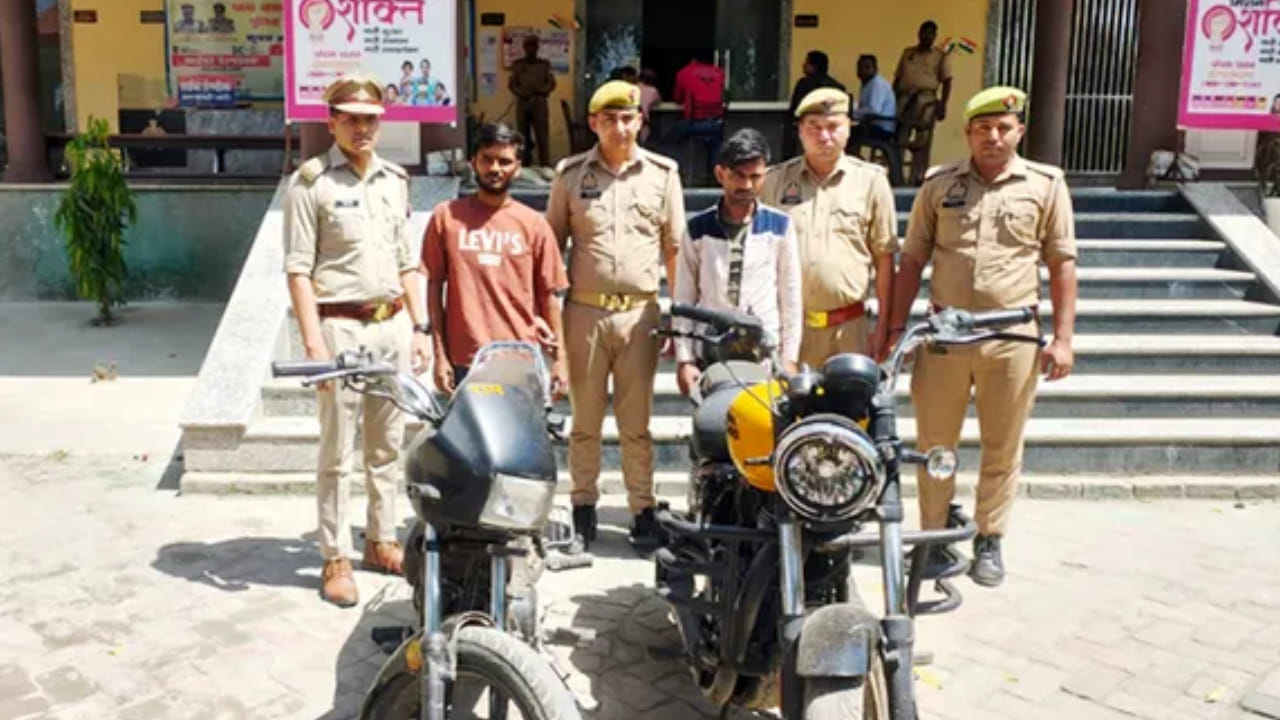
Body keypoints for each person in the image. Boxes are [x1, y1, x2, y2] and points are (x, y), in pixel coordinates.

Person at [885, 87, 1078, 587]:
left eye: (1003, 128)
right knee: (934, 442)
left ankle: (989, 537)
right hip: (946, 336)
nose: (993, 137)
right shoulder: (939, 184)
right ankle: (932, 536)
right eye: (983, 128)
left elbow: (1061, 264)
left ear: (1019, 132)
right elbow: (912, 259)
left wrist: (1063, 338)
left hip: (1011, 336)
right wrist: (895, 330)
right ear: (968, 133)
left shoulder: (1046, 185)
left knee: (1002, 444)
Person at [282, 74, 431, 608]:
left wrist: (419, 326)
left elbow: (406, 260)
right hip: (339, 328)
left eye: (370, 119)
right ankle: (335, 556)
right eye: (351, 119)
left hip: (391, 325)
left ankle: (381, 538)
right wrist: (313, 345)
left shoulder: (395, 180)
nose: (362, 128)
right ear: (332, 123)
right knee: (337, 452)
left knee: (387, 445)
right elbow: (298, 271)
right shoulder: (311, 183)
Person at [546, 80, 685, 552]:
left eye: (628, 118)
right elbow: (552, 249)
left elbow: (674, 250)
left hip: (640, 315)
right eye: (610, 119)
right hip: (584, 312)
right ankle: (583, 507)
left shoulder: (663, 174)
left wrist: (677, 318)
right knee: (584, 421)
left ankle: (642, 509)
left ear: (641, 120)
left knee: (636, 423)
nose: (620, 127)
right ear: (593, 123)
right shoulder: (570, 175)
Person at [423, 122, 569, 396]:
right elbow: (434, 288)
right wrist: (439, 355)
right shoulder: (446, 217)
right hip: (465, 360)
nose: (495, 168)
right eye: (487, 159)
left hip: (519, 359)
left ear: (518, 167)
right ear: (473, 162)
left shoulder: (534, 225)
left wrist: (560, 360)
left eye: (504, 161)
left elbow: (548, 296)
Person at [760, 87, 898, 369]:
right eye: (814, 127)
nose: (824, 136)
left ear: (849, 128)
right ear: (800, 131)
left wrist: (883, 327)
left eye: (833, 126)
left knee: (849, 400)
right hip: (789, 331)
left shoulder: (871, 182)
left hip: (850, 330)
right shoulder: (773, 183)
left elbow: (884, 259)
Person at [674, 128, 802, 395]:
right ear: (721, 174)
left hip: (764, 353)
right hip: (711, 350)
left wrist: (789, 359)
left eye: (755, 177)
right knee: (713, 420)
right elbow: (684, 296)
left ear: (765, 175)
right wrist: (685, 359)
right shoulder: (698, 228)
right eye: (739, 176)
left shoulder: (780, 226)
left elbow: (790, 297)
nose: (747, 186)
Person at [894, 20, 953, 183]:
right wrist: (893, 99)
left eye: (930, 34)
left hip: (926, 100)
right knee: (899, 137)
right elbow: (898, 78)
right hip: (905, 98)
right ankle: (897, 175)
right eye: (924, 33)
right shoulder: (908, 53)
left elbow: (947, 81)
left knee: (922, 140)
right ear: (919, 34)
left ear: (934, 36)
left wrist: (943, 104)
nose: (926, 36)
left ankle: (918, 176)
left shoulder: (939, 56)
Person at [785, 50, 847, 159]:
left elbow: (795, 109)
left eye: (807, 63)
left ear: (814, 66)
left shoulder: (804, 84)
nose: (803, 65)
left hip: (807, 130)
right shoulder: (837, 86)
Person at [508, 35, 556, 168]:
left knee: (542, 135)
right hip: (523, 102)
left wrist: (540, 90)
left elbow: (551, 83)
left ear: (537, 48)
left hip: (539, 102)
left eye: (533, 46)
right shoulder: (518, 65)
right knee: (523, 136)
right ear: (524, 48)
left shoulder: (543, 65)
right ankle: (524, 164)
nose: (531, 49)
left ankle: (544, 165)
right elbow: (512, 85)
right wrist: (522, 92)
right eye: (528, 46)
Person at [851, 54, 897, 142]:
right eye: (860, 68)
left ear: (875, 69)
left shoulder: (877, 84)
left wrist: (853, 113)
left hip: (882, 128)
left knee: (846, 133)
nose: (863, 71)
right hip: (871, 125)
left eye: (867, 67)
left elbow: (874, 110)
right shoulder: (866, 84)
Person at [637, 68, 662, 145]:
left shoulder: (632, 88)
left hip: (633, 119)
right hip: (644, 121)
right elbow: (658, 101)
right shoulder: (653, 91)